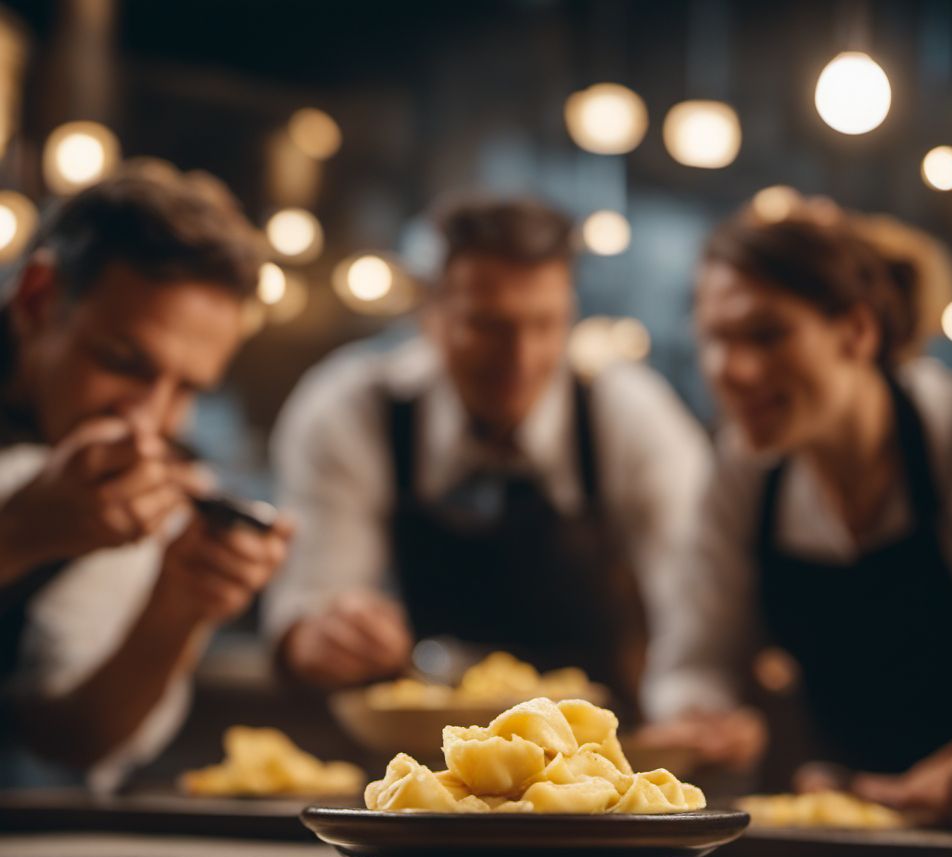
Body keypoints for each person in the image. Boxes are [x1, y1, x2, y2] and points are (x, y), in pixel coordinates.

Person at [642, 197, 952, 825]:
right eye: (715, 338)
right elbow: (695, 655)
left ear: (857, 331)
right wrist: (700, 718)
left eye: (766, 334)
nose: (731, 370)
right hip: (850, 827)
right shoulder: (746, 471)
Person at [265, 196, 711, 726]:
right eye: (488, 327)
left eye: (545, 325)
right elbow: (310, 601)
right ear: (430, 315)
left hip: (596, 757)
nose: (520, 360)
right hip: (418, 755)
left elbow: (692, 608)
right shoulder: (351, 410)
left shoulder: (630, 413)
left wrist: (691, 704)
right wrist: (326, 637)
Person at [0, 163, 292, 790]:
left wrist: (177, 605)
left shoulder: (121, 477)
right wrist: (19, 535)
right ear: (37, 300)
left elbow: (66, 740)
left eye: (187, 388)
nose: (147, 422)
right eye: (123, 362)